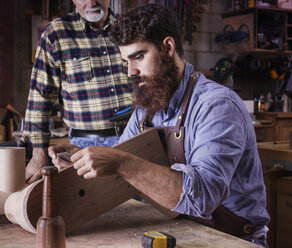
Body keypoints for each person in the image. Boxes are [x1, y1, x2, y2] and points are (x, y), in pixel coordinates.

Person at [49, 4, 270, 247]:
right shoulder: (147, 108)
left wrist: (120, 161)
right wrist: (79, 161)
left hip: (231, 239)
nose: (130, 71)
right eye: (126, 61)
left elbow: (203, 198)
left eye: (138, 57)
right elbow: (117, 172)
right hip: (180, 229)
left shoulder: (217, 106)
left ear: (167, 48)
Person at [23, 0, 133, 184]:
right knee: (93, 209)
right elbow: (40, 98)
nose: (91, 2)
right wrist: (37, 157)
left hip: (134, 140)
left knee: (141, 209)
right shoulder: (57, 34)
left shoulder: (129, 29)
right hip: (84, 147)